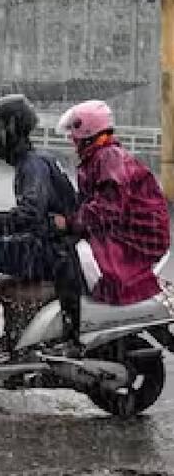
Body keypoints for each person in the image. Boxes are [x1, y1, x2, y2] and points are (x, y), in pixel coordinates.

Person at [0, 94, 78, 365]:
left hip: (49, 252)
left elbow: (29, 214)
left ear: (10, 130)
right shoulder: (37, 160)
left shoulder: (32, 165)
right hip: (54, 247)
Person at [52, 100, 170, 347]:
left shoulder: (108, 157)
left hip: (134, 240)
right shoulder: (100, 156)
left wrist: (69, 222)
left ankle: (72, 335)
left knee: (68, 259)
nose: (71, 139)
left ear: (86, 131)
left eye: (74, 132)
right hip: (125, 233)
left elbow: (107, 208)